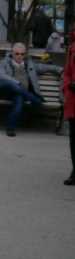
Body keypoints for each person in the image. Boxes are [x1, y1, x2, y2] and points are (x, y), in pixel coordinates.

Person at [0, 43, 62, 137]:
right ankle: (33, 99)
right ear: (12, 53)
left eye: (22, 54)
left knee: (19, 97)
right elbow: (0, 76)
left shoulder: (29, 65)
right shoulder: (4, 63)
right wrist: (17, 83)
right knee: (10, 84)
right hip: (5, 92)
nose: (19, 56)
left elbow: (47, 67)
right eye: (17, 54)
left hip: (20, 94)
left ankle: (10, 127)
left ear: (25, 55)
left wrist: (62, 71)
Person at [63, 23, 75, 185]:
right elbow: (67, 72)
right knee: (74, 137)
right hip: (74, 98)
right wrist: (67, 86)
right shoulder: (72, 48)